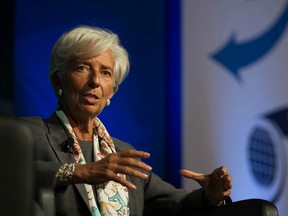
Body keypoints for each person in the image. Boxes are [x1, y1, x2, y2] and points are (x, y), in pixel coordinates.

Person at [22, 25, 232, 216]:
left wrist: (209, 196)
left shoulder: (122, 155)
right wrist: (78, 172)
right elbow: (9, 173)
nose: (95, 81)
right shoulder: (27, 133)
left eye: (105, 73)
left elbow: (176, 204)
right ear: (57, 79)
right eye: (82, 68)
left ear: (111, 91)